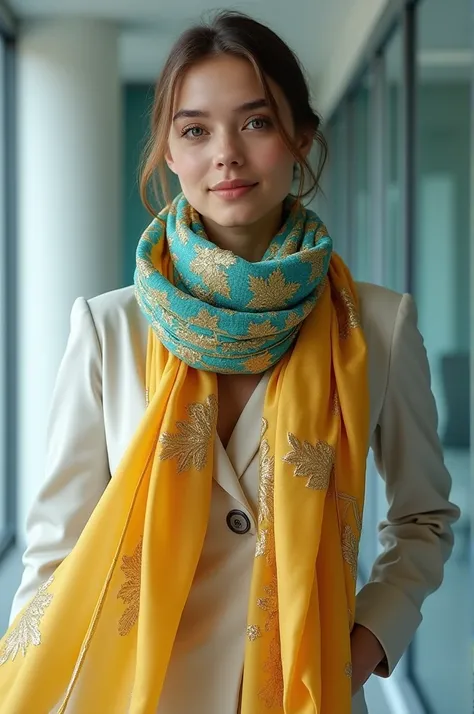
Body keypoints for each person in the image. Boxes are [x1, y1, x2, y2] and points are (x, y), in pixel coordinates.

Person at [0, 10, 459, 714]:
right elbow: (55, 551)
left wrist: (366, 643)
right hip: (135, 692)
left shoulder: (375, 325)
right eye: (195, 130)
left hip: (305, 689)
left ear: (301, 138)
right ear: (169, 153)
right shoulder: (108, 327)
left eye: (255, 122)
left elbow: (423, 517)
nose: (226, 155)